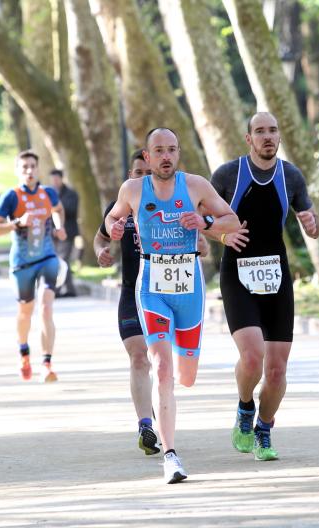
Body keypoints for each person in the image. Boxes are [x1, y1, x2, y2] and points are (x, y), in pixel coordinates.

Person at [105, 128, 239, 484]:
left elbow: (232, 220)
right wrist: (114, 228)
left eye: (171, 150)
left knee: (186, 376)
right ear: (147, 158)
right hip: (151, 286)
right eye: (158, 151)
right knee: (161, 367)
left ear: (178, 154)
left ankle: (178, 385)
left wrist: (205, 222)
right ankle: (171, 456)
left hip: (189, 286)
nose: (166, 157)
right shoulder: (132, 190)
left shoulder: (195, 186)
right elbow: (112, 218)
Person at [209, 112, 319, 462]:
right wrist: (222, 233)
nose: (267, 137)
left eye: (273, 130)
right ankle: (245, 408)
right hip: (237, 273)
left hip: (276, 274)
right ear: (248, 139)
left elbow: (312, 225)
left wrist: (312, 223)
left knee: (276, 370)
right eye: (260, 131)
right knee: (252, 356)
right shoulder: (228, 175)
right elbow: (204, 219)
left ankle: (264, 428)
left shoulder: (291, 176)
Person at [96, 148, 211, 457]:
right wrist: (102, 251)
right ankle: (146, 424)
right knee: (141, 358)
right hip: (136, 291)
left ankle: (164, 403)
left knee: (179, 372)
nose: (143, 178)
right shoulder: (126, 201)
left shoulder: (177, 198)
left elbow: (204, 245)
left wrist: (202, 236)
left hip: (178, 290)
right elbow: (102, 235)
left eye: (145, 174)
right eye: (138, 173)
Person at [0, 150, 67, 383]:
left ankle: (47, 363)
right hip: (22, 263)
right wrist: (17, 223)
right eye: (24, 167)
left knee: (46, 307)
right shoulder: (10, 198)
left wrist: (59, 225)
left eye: (33, 166)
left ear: (38, 168)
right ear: (17, 171)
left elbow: (58, 209)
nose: (29, 171)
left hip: (47, 258)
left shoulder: (48, 193)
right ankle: (24, 352)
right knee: (25, 312)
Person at [49, 169, 80, 297]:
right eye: (53, 179)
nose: (55, 182)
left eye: (57, 179)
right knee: (58, 260)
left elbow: (71, 210)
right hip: (52, 233)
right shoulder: (49, 194)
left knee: (63, 259)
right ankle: (68, 288)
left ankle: (59, 289)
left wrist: (57, 207)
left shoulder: (71, 194)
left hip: (67, 232)